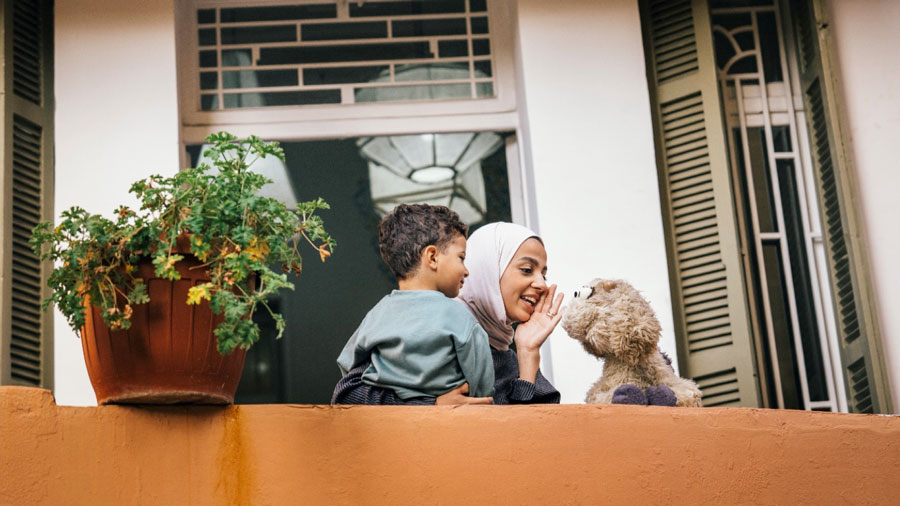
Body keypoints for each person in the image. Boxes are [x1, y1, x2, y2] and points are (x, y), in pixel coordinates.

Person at [332, 221, 564, 405]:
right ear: (484, 271)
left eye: (544, 274)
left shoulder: (510, 360)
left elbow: (529, 439)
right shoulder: (423, 330)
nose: (541, 284)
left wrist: (527, 353)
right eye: (526, 270)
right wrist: (431, 405)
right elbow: (349, 395)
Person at [335, 204, 495, 400]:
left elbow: (347, 367)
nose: (466, 270)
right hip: (451, 425)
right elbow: (483, 388)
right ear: (433, 257)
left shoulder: (376, 315)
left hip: (387, 426)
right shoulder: (459, 316)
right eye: (461, 258)